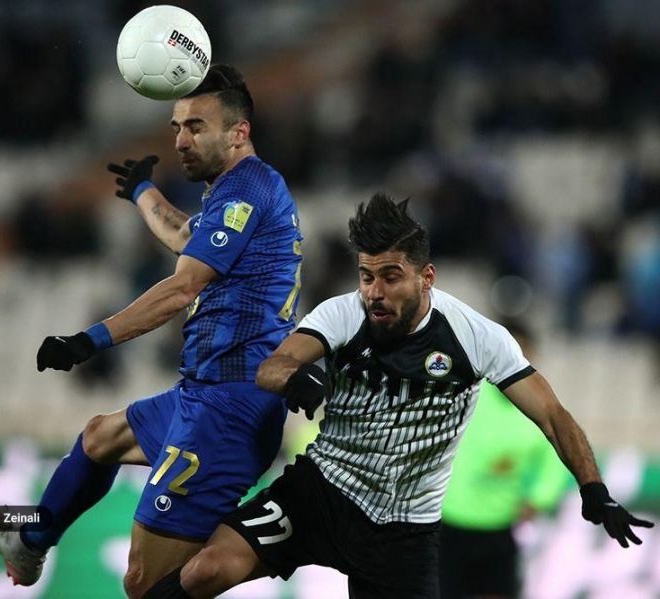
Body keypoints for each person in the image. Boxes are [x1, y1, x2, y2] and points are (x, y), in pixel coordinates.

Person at [144, 193, 653, 599]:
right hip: (322, 493)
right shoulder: (343, 314)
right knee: (208, 570)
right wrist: (297, 378)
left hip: (403, 532)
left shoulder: (477, 338)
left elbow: (552, 416)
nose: (375, 292)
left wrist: (594, 489)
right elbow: (274, 366)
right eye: (367, 276)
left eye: (390, 277)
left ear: (426, 277)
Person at [0, 64, 304, 598]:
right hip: (204, 394)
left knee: (144, 584)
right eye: (177, 127)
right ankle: (29, 544)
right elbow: (188, 237)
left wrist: (89, 340)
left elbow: (182, 288)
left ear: (239, 132)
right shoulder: (237, 192)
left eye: (196, 127)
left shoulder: (248, 190)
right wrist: (144, 192)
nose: (181, 140)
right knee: (100, 438)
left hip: (229, 410)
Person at [439, 320, 571, 599]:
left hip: (499, 526)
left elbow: (554, 461)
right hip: (448, 522)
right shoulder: (464, 392)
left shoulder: (541, 407)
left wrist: (537, 499)